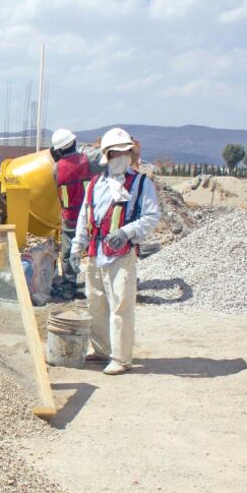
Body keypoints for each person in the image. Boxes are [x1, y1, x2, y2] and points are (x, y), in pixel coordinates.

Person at [70, 127, 159, 375]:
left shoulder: (141, 184)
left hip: (121, 253)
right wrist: (77, 245)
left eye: (125, 152)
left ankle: (121, 357)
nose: (122, 157)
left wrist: (126, 232)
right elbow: (84, 216)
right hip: (96, 252)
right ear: (106, 156)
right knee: (96, 302)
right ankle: (101, 350)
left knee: (121, 304)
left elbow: (151, 216)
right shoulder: (96, 184)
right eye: (116, 153)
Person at [50, 128, 94, 300]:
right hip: (90, 215)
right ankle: (98, 283)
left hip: (69, 216)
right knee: (92, 248)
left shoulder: (57, 168)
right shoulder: (87, 160)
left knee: (68, 251)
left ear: (58, 150)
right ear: (74, 143)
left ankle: (68, 286)